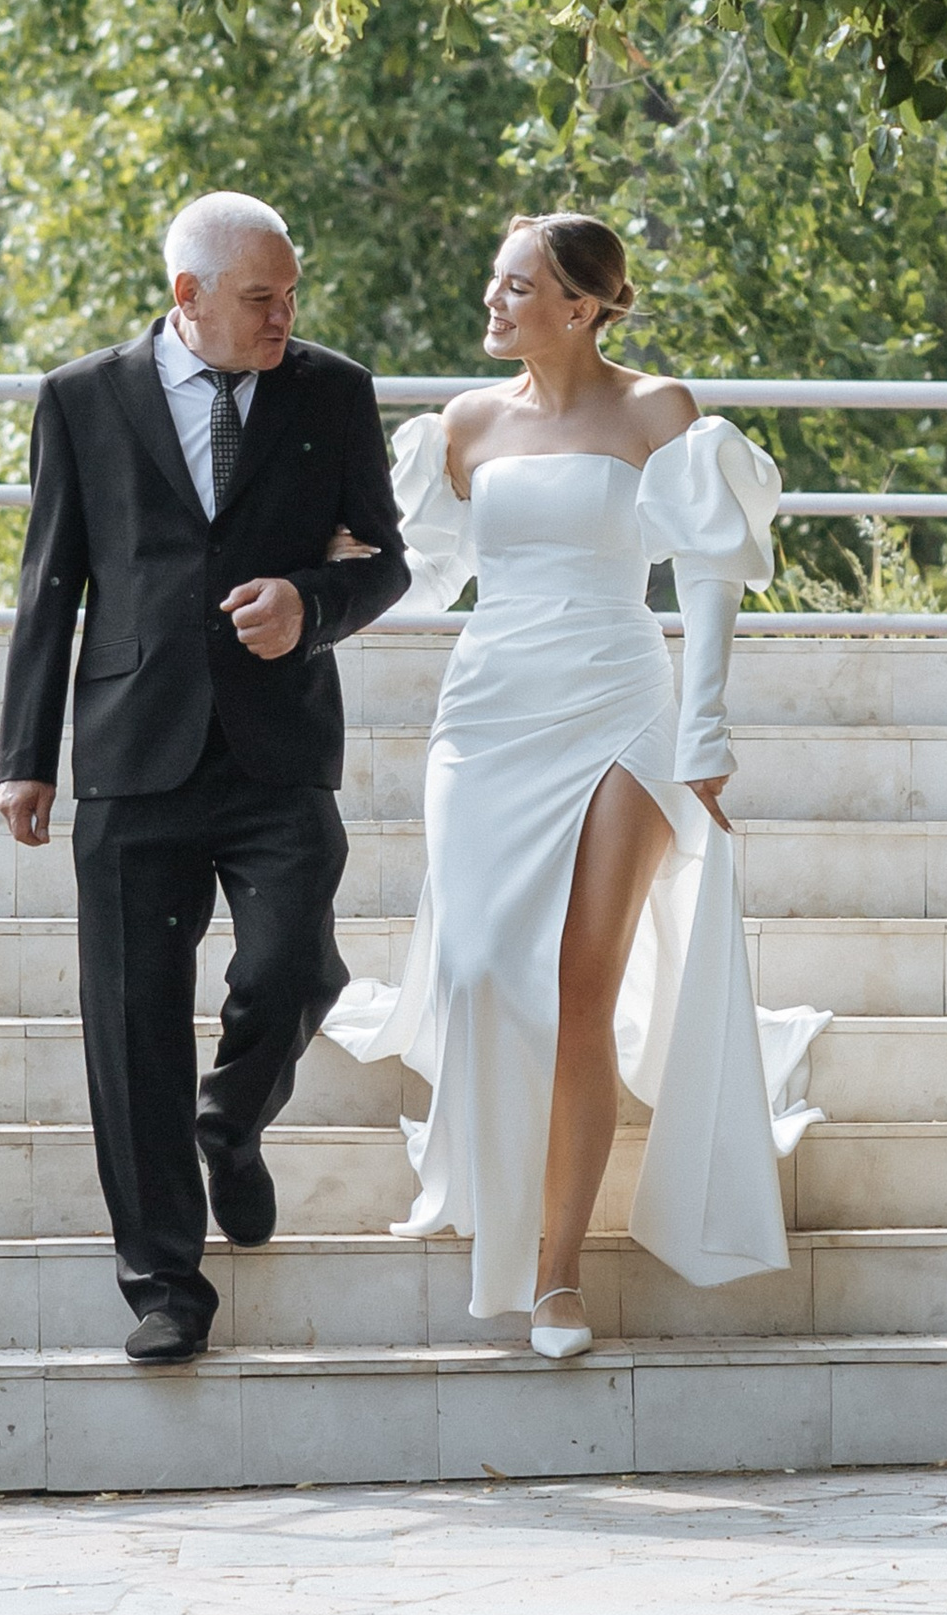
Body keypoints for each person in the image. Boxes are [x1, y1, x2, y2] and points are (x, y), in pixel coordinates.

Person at [324, 212, 825, 1358]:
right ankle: (492, 1191)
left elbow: (708, 576)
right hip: (488, 712)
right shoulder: (461, 425)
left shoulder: (659, 412)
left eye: (516, 286)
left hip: (620, 705)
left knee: (576, 988)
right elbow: (430, 573)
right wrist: (332, 573)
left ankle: (556, 1277)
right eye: (495, 281)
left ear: (582, 305)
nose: (493, 301)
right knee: (479, 969)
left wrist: (704, 731)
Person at [0, 194, 410, 1362]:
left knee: (293, 970)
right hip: (133, 750)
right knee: (129, 1028)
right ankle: (165, 1289)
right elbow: (50, 582)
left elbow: (386, 562)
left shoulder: (334, 391)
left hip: (280, 749)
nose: (285, 317)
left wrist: (310, 603)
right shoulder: (81, 398)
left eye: (291, 295)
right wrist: (25, 756)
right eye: (261, 299)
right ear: (189, 295)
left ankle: (230, 1118)